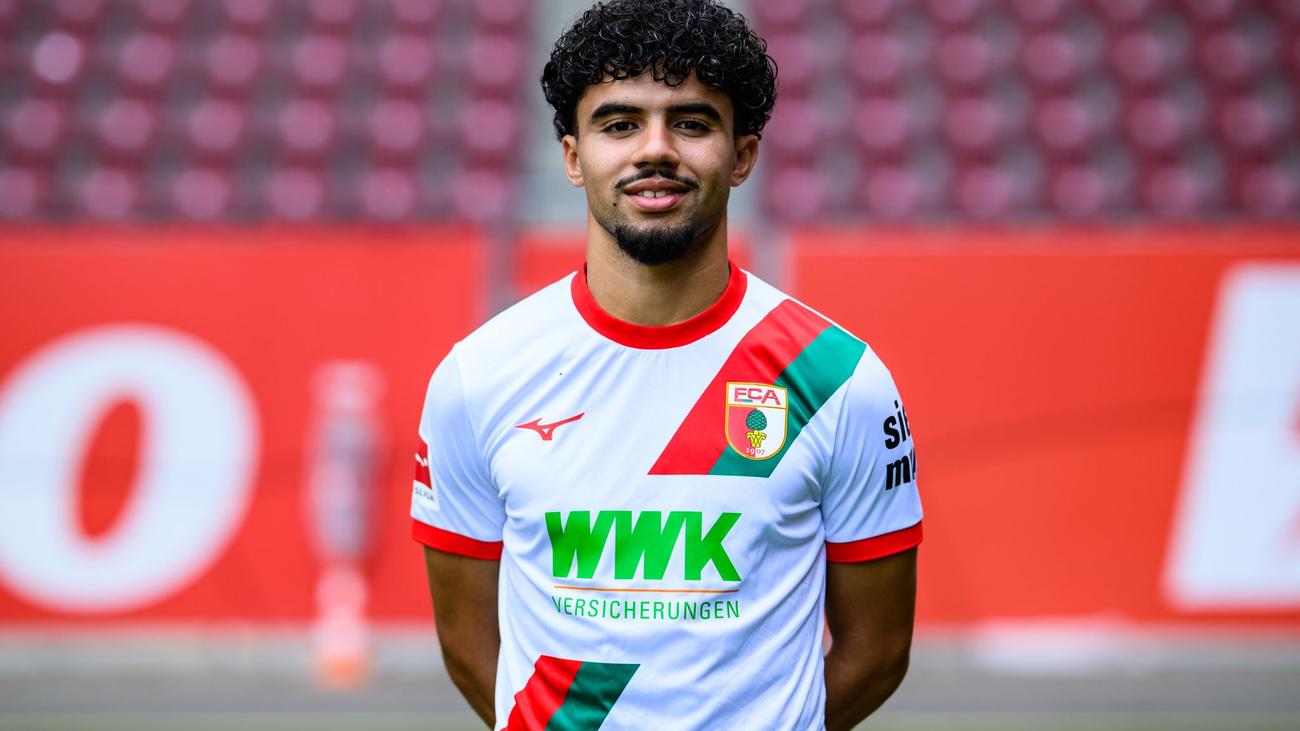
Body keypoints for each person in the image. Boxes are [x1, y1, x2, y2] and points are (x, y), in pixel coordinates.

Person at [412, 1, 922, 728]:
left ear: (742, 156)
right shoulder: (478, 376)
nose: (655, 149)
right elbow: (468, 645)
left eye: (691, 123)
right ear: (572, 157)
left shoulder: (840, 380)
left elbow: (877, 651)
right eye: (620, 124)